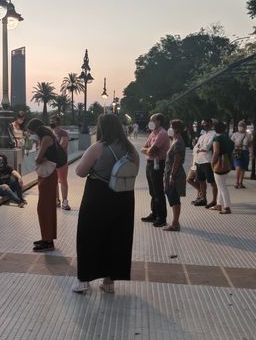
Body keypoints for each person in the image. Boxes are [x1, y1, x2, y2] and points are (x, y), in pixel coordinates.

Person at [71, 114, 140, 294]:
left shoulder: (98, 147)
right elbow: (135, 171)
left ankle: (84, 280)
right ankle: (109, 281)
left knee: (89, 236)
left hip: (98, 196)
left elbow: (79, 171)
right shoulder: (130, 149)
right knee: (117, 238)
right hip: (123, 197)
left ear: (102, 128)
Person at [25, 118, 58, 252]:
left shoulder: (45, 139)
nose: (31, 134)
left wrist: (38, 158)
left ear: (36, 130)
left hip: (48, 176)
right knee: (45, 207)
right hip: (46, 174)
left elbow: (38, 158)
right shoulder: (47, 137)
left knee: (44, 207)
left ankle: (48, 241)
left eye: (31, 131)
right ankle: (46, 238)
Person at [140, 113, 171, 227]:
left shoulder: (162, 134)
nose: (150, 122)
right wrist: (148, 150)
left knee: (158, 191)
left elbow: (151, 150)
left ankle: (161, 217)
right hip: (150, 163)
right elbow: (143, 148)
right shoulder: (153, 133)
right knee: (152, 191)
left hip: (158, 164)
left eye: (152, 120)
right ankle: (154, 213)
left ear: (159, 121)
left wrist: (148, 150)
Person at [163, 120, 187, 231]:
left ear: (177, 129)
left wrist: (172, 176)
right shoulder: (174, 140)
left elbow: (177, 161)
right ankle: (174, 222)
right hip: (169, 173)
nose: (170, 128)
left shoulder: (178, 142)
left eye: (171, 126)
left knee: (175, 198)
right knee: (172, 197)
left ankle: (175, 223)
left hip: (175, 174)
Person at [210, 121, 233, 214]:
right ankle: (219, 204)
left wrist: (212, 162)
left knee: (222, 186)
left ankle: (227, 207)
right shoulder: (227, 138)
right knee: (221, 184)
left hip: (219, 163)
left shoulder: (217, 138)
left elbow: (216, 152)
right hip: (227, 162)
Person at [193, 119, 218, 208]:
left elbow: (207, 147)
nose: (205, 125)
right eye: (203, 124)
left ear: (211, 124)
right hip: (199, 160)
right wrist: (199, 149)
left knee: (212, 182)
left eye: (207, 124)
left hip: (207, 161)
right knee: (201, 181)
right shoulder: (202, 136)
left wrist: (200, 148)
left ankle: (215, 200)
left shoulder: (213, 134)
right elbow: (195, 147)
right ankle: (203, 198)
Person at [50, 115, 71, 210]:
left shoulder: (63, 133)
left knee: (63, 180)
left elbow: (63, 145)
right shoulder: (51, 133)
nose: (51, 123)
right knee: (54, 181)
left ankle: (65, 201)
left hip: (62, 161)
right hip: (52, 161)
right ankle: (56, 200)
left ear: (57, 122)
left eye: (52, 121)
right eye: (51, 121)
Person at [231, 121, 251, 188]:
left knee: (243, 168)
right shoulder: (234, 135)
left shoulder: (248, 135)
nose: (241, 127)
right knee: (238, 167)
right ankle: (237, 182)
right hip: (237, 152)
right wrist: (236, 145)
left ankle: (241, 182)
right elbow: (231, 143)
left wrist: (251, 153)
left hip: (245, 152)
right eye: (240, 125)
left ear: (245, 127)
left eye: (242, 126)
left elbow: (250, 145)